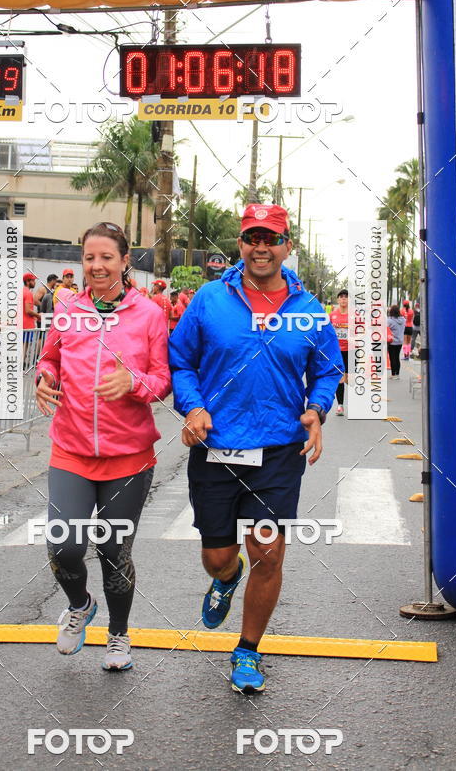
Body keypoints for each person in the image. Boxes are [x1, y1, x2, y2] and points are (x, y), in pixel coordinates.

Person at [169, 204, 341, 695]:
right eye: (252, 238)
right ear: (241, 245)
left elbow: (329, 368)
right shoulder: (208, 299)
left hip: (278, 449)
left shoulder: (308, 309)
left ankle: (247, 650)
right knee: (218, 556)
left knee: (268, 551)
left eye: (271, 238)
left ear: (288, 246)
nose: (260, 247)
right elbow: (181, 360)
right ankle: (225, 579)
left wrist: (317, 408)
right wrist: (193, 406)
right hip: (217, 446)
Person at [36, 221, 171, 671]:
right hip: (71, 449)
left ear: (124, 260)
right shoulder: (67, 308)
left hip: (128, 456)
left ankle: (118, 635)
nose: (96, 265)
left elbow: (162, 382)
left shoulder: (149, 313)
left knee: (114, 550)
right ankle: (80, 605)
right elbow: (49, 358)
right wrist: (44, 379)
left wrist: (133, 383)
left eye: (106, 257)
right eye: (89, 258)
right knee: (64, 546)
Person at [329, 289, 349, 417]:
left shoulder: (355, 316)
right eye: (341, 297)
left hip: (351, 350)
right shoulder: (332, 315)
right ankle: (340, 406)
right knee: (340, 378)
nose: (343, 299)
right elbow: (327, 332)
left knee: (349, 379)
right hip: (337, 351)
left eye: (346, 297)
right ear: (338, 300)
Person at [387, 305, 405, 379]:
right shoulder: (403, 320)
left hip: (392, 341)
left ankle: (393, 374)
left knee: (392, 358)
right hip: (400, 341)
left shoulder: (390, 320)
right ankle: (397, 374)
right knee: (397, 357)